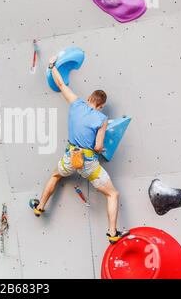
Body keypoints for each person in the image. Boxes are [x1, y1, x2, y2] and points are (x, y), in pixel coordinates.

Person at [30, 56, 129, 244]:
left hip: (70, 157)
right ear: (100, 105)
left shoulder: (76, 104)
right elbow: (99, 147)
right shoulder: (102, 119)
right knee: (113, 194)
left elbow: (60, 83)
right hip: (89, 164)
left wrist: (52, 64)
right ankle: (112, 233)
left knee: (55, 176)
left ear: (89, 99)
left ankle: (40, 207)